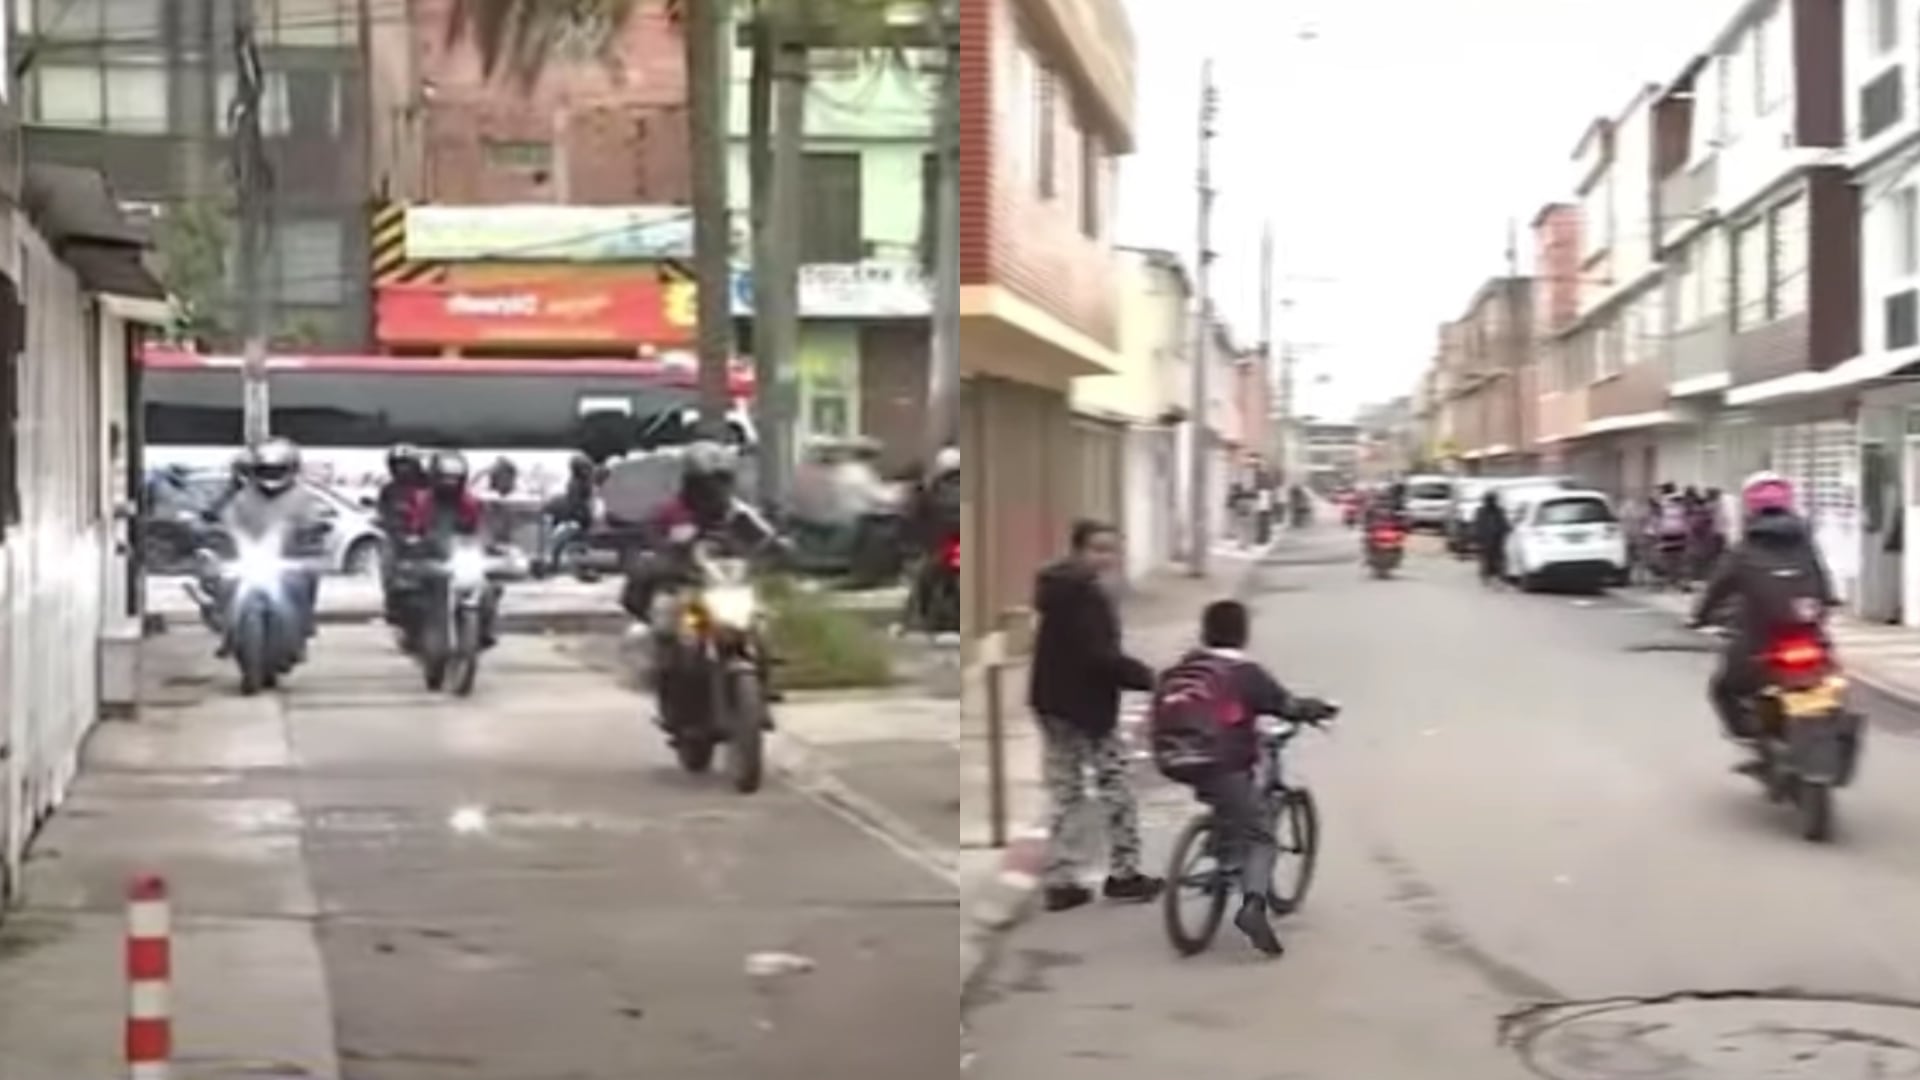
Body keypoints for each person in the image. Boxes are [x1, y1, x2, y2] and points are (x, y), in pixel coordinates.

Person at [1150, 600, 1335, 955]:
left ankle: (1223, 849)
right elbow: (1286, 706)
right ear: (1244, 633)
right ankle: (1253, 907)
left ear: (1204, 633)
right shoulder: (1246, 673)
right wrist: (1315, 709)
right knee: (1260, 832)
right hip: (1222, 763)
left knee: (1228, 802)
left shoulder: (1181, 670)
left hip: (1174, 758)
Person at [1028, 520, 1163, 911]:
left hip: (1051, 702)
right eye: (1098, 549)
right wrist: (1148, 678)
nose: (1106, 558)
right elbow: (1099, 656)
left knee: (1065, 791)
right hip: (1087, 707)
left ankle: (1061, 880)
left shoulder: (1056, 588)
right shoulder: (1087, 594)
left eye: (1112, 549)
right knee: (1115, 786)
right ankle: (1124, 873)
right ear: (1078, 550)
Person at [1688, 471, 1839, 751]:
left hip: (1759, 639)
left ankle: (1751, 736)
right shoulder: (1805, 545)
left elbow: (1717, 587)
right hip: (1810, 636)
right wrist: (1823, 608)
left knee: (1723, 689)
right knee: (1831, 678)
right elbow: (1824, 584)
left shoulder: (1743, 549)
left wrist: (1699, 616)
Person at [202, 438, 325, 656]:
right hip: (250, 557)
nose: (271, 475)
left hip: (286, 558)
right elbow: (226, 519)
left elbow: (314, 520)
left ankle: (303, 627)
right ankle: (227, 630)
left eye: (278, 470)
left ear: (291, 469)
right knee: (224, 582)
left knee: (306, 580)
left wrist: (313, 531)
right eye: (265, 469)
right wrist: (218, 532)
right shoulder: (243, 497)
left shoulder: (302, 497)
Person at [396, 449, 496, 649]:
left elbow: (482, 529)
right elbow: (412, 527)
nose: (450, 483)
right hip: (430, 559)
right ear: (435, 477)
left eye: (454, 478)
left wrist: (490, 544)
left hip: (459, 560)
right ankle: (412, 634)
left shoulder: (470, 502)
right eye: (445, 477)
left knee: (488, 591)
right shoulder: (422, 501)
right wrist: (412, 539)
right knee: (408, 591)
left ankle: (484, 632)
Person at [376, 445, 427, 627]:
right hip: (399, 537)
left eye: (406, 464)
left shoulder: (430, 485)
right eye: (398, 464)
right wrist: (392, 526)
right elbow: (383, 513)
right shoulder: (389, 490)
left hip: (429, 535)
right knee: (387, 559)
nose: (402, 469)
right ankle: (391, 604)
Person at [1472, 489, 1510, 585]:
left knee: (1496, 559)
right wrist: (1477, 537)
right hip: (1486, 540)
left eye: (1491, 500)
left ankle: (1497, 576)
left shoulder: (1498, 511)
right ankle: (1487, 576)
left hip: (1496, 539)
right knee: (1487, 558)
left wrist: (1504, 532)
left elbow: (1504, 524)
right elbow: (1477, 525)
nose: (1490, 502)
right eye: (1489, 500)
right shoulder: (1481, 511)